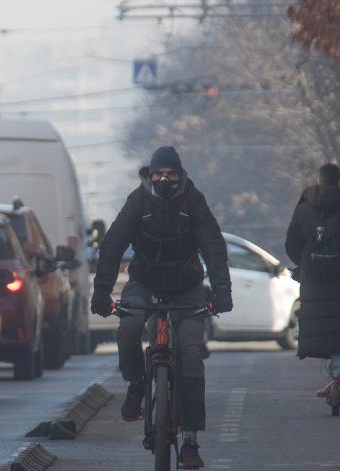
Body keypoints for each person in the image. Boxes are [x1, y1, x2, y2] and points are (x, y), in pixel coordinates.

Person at [90, 146, 232, 470]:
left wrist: (222, 290)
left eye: (170, 173)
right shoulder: (137, 201)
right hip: (145, 282)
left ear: (180, 176)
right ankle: (137, 383)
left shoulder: (193, 201)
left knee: (192, 355)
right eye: (158, 173)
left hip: (187, 287)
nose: (164, 179)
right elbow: (112, 245)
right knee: (127, 330)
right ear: (149, 174)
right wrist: (101, 293)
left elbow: (212, 244)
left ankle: (192, 441)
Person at [283, 162, 340, 399]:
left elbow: (291, 244)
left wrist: (306, 264)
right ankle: (338, 377)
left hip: (315, 281)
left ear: (318, 181)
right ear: (338, 181)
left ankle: (335, 379)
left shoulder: (304, 211)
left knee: (323, 328)